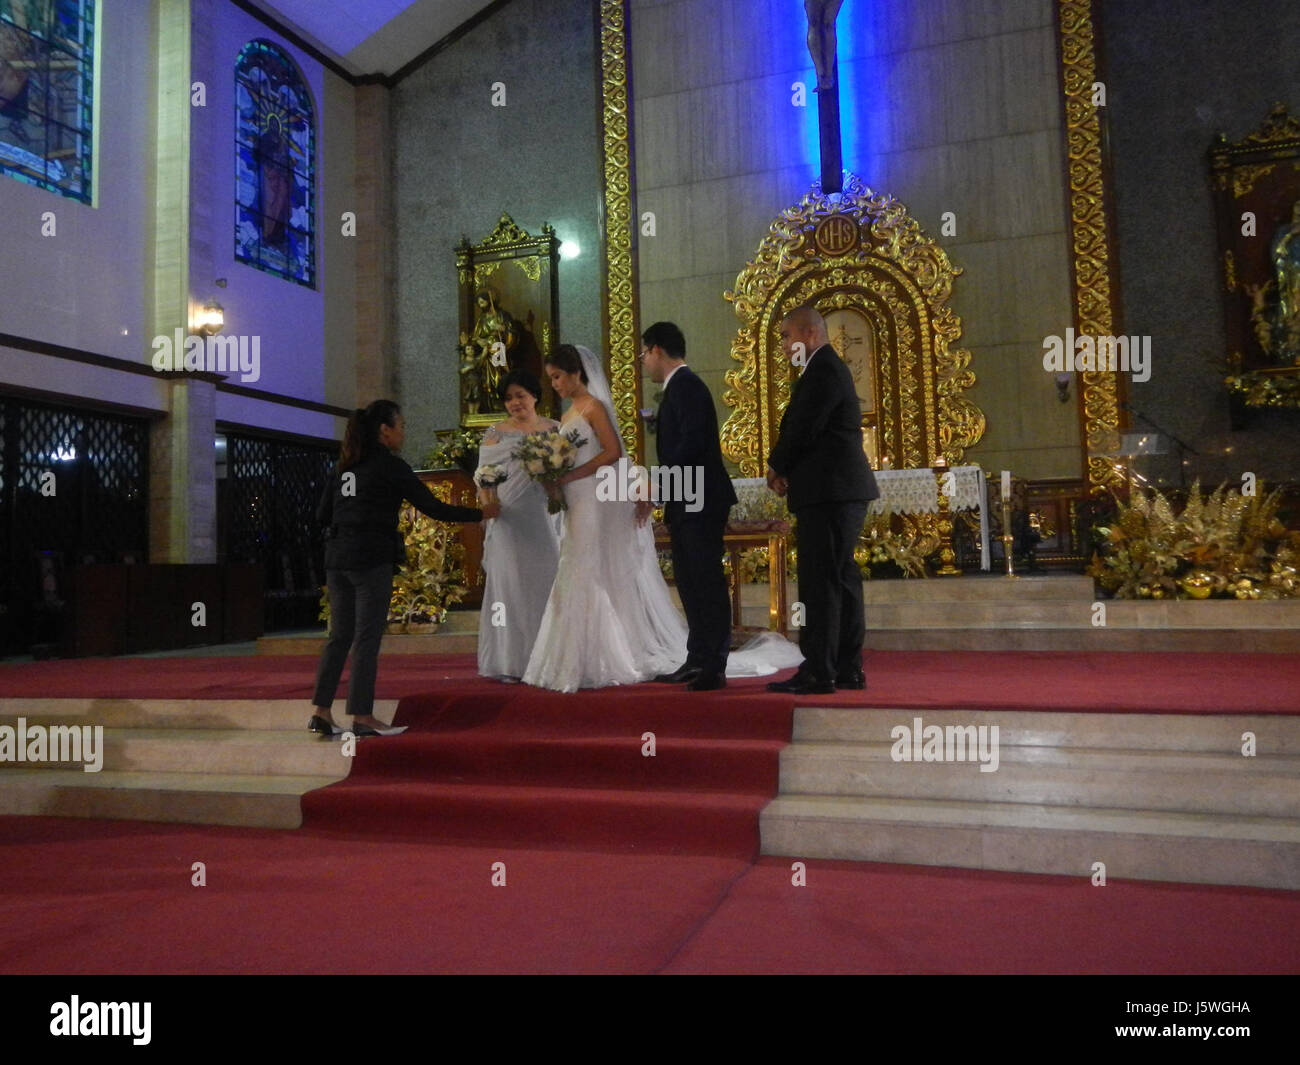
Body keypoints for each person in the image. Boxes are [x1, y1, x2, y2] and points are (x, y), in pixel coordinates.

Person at [309, 400, 493, 736]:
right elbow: (433, 507)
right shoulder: (389, 466)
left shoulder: (345, 466)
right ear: (385, 430)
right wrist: (481, 514)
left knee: (339, 637)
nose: (403, 433)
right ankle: (362, 717)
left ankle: (321, 712)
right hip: (370, 558)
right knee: (366, 638)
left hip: (337, 558)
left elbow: (322, 514)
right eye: (402, 426)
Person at [522, 345, 688, 692]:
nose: (554, 384)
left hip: (595, 494)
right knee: (576, 565)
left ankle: (603, 657)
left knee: (588, 566)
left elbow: (613, 452)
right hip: (576, 497)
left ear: (576, 373)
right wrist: (553, 479)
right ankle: (579, 657)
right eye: (551, 378)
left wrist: (571, 475)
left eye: (557, 376)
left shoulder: (593, 407)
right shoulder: (568, 414)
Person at [766, 306, 879, 694]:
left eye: (785, 335)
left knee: (820, 583)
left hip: (829, 491)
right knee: (840, 579)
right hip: (836, 490)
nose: (782, 345)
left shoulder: (823, 369)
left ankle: (819, 670)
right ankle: (847, 667)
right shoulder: (824, 368)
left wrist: (777, 466)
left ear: (810, 333)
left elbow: (804, 427)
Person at [640, 321, 736, 691]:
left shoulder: (687, 386)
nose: (643, 362)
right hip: (687, 497)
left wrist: (658, 482)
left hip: (700, 498)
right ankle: (697, 658)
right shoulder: (677, 389)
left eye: (644, 354)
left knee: (705, 580)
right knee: (690, 580)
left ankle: (714, 665)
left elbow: (693, 446)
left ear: (657, 351)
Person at [476, 370, 562, 681]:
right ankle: (510, 662)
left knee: (547, 581)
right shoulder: (495, 434)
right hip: (508, 518)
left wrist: (555, 488)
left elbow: (565, 472)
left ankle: (547, 658)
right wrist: (488, 505)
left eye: (520, 396)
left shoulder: (555, 429)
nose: (515, 403)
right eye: (509, 398)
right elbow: (484, 475)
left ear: (535, 396)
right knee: (509, 587)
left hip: (543, 515)